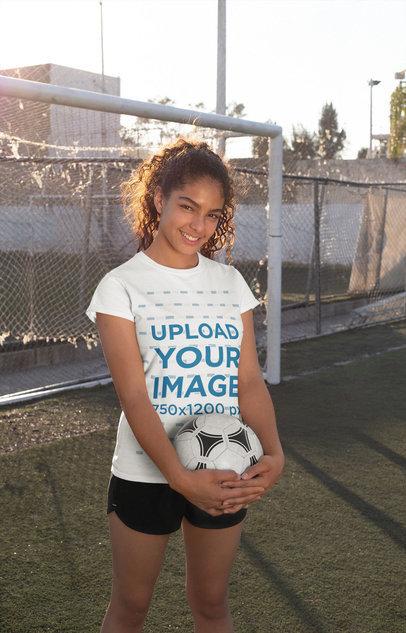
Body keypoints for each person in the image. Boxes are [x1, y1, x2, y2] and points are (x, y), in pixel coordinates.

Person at [85, 137, 285, 633]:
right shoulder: (120, 286)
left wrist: (275, 453)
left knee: (212, 605)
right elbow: (133, 396)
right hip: (146, 471)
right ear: (159, 200)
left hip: (224, 466)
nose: (199, 226)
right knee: (131, 606)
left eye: (213, 215)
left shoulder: (228, 283)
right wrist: (178, 476)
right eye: (188, 207)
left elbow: (248, 380)